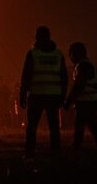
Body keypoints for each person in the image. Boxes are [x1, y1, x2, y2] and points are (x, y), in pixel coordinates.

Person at [19, 26, 67, 155]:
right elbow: (64, 77)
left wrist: (22, 94)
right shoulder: (58, 55)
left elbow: (26, 76)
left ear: (37, 37)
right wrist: (63, 95)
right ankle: (56, 152)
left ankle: (29, 152)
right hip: (54, 95)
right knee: (54, 126)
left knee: (32, 127)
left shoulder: (33, 54)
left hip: (36, 95)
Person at [63, 42, 97, 153]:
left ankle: (76, 145)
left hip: (85, 101)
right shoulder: (91, 65)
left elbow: (79, 86)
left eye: (71, 54)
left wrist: (69, 100)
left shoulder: (82, 66)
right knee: (93, 125)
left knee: (80, 124)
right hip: (92, 100)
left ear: (76, 53)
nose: (70, 57)